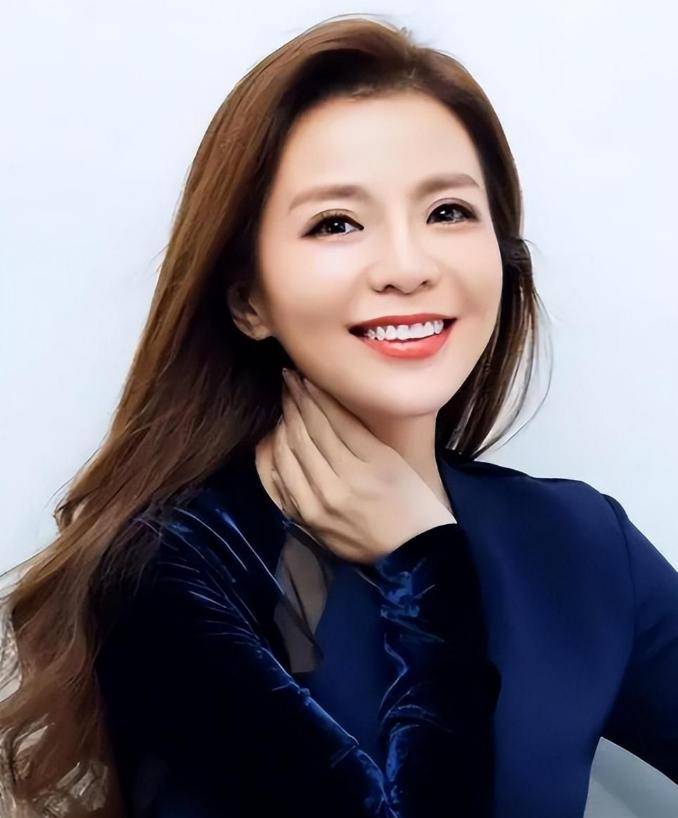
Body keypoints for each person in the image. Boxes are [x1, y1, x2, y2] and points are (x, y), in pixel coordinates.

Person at [0, 13, 676, 818]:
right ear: (248, 299)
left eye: (448, 212)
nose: (407, 267)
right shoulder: (180, 567)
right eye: (336, 223)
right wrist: (428, 568)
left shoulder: (579, 543)